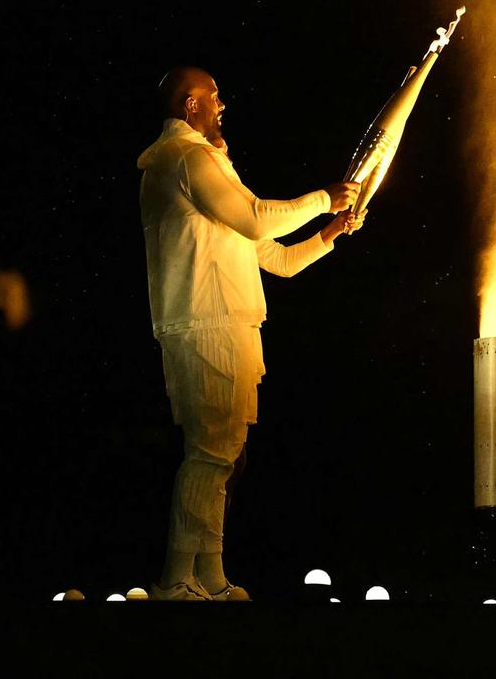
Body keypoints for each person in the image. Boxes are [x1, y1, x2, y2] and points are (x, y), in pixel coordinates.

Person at [136, 67, 361, 602]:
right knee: (211, 451)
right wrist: (321, 200)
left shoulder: (208, 168)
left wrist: (328, 232)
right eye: (214, 97)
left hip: (227, 321)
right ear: (190, 105)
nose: (222, 106)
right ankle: (174, 580)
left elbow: (275, 258)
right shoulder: (184, 159)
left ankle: (207, 575)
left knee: (226, 452)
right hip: (203, 322)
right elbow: (260, 220)